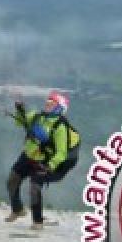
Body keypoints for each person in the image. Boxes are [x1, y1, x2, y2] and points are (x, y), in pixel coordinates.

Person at [4, 90, 79, 230]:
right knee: (12, 181)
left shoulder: (60, 127)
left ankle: (37, 221)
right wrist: (19, 109)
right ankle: (18, 209)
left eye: (51, 104)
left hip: (43, 161)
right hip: (28, 156)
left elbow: (61, 153)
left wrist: (50, 166)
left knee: (35, 187)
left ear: (59, 108)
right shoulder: (37, 116)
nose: (47, 105)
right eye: (47, 103)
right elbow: (21, 122)